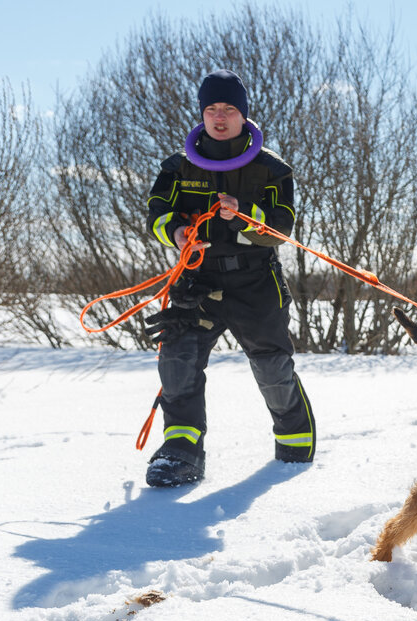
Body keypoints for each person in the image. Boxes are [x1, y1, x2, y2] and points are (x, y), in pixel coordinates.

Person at [142, 69, 315, 487]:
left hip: (255, 281)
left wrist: (244, 217)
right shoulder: (177, 166)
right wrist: (178, 231)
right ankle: (181, 452)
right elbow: (156, 215)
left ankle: (295, 446)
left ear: (244, 114)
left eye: (229, 109)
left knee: (273, 367)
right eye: (212, 109)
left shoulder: (272, 169)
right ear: (202, 114)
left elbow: (280, 228)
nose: (220, 117)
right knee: (177, 361)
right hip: (196, 281)